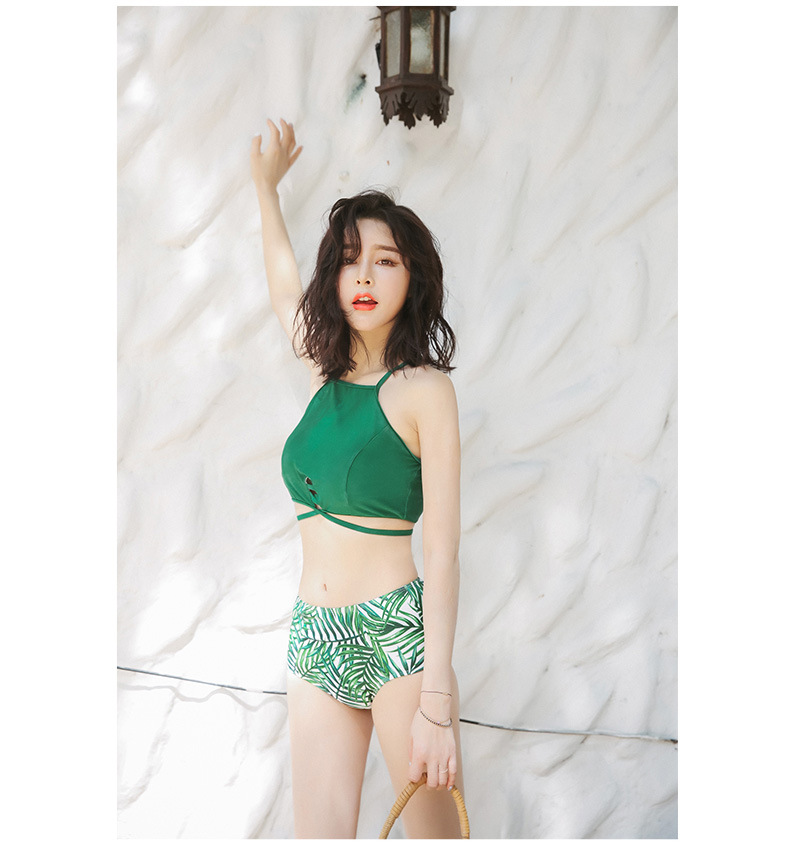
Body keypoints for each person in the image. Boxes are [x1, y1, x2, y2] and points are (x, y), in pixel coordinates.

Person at [250, 119, 464, 839]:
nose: (365, 276)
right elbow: (284, 292)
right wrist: (265, 189)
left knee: (438, 845)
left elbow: (443, 550)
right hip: (314, 636)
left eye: (385, 261)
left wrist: (437, 699)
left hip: (396, 637)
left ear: (414, 277)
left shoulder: (424, 390)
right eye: (349, 261)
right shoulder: (324, 373)